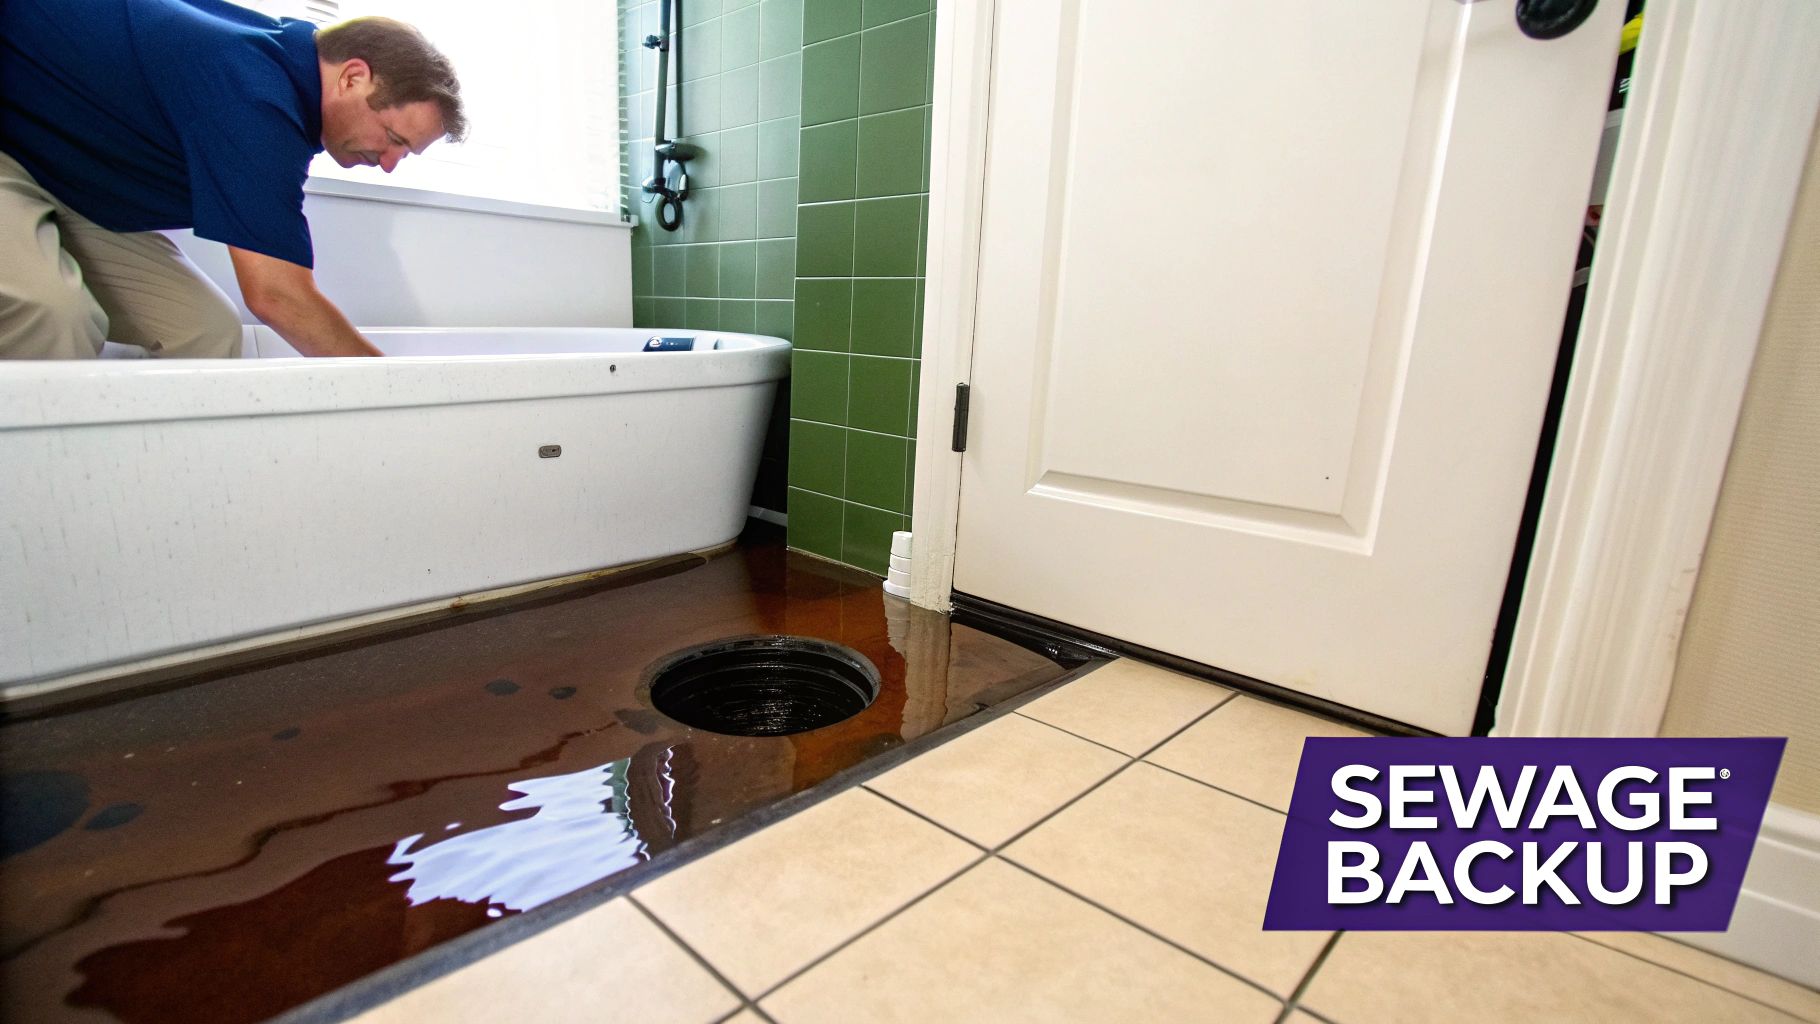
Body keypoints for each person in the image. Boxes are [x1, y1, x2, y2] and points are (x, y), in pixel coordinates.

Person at [0, 0, 466, 358]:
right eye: (394, 138)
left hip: (71, 179)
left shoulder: (280, 85)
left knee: (206, 332)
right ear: (352, 77)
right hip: (13, 141)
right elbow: (277, 295)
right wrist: (401, 394)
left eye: (406, 153)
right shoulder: (256, 92)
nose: (390, 163)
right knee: (51, 313)